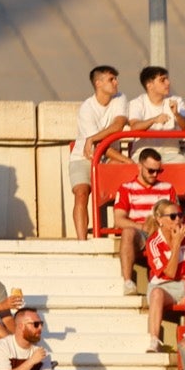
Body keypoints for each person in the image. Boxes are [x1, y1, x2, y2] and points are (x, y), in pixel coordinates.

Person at [68, 65, 132, 241]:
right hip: (83, 158)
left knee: (125, 186)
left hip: (108, 158)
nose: (116, 82)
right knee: (81, 192)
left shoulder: (120, 98)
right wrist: (127, 161)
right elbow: (98, 148)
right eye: (111, 79)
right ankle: (82, 242)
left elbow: (118, 125)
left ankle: (120, 230)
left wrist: (94, 137)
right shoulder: (86, 109)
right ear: (98, 83)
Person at [110, 148, 178, 296]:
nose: (155, 175)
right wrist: (142, 226)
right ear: (139, 166)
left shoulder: (168, 188)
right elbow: (119, 219)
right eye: (151, 171)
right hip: (140, 233)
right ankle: (128, 282)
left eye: (158, 171)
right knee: (128, 231)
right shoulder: (126, 188)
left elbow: (176, 216)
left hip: (163, 232)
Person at [143, 199, 185, 352]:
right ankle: (154, 340)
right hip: (165, 287)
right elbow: (169, 273)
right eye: (173, 216)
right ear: (160, 220)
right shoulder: (154, 242)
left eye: (180, 215)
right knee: (156, 294)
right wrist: (176, 244)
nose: (178, 220)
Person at [126, 65, 185, 163]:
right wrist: (154, 120)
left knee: (182, 161)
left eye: (167, 79)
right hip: (143, 153)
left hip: (171, 153)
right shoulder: (136, 103)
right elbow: (135, 126)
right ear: (149, 85)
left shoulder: (177, 101)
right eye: (162, 80)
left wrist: (177, 114)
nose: (168, 83)